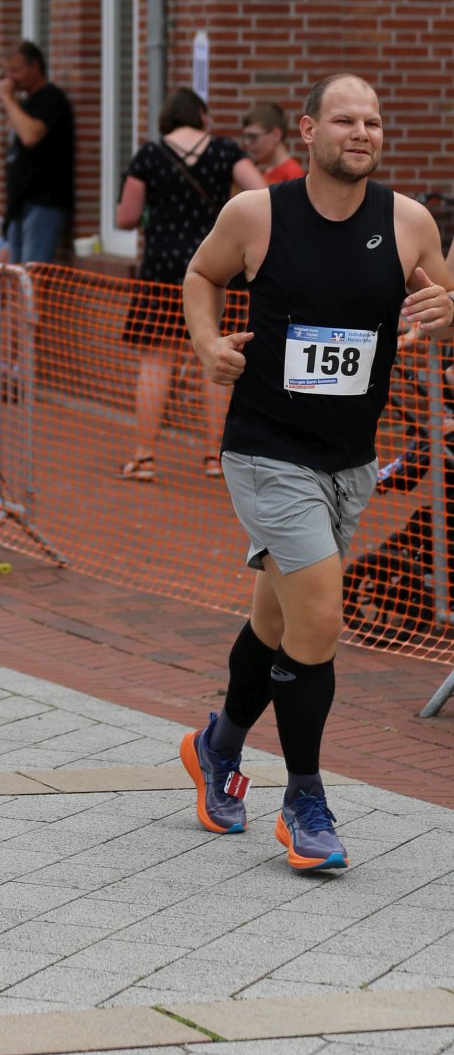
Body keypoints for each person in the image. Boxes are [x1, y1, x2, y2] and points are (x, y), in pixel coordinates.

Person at [182, 75, 454, 872]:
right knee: (320, 620)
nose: (360, 133)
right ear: (306, 130)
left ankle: (216, 746)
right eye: (343, 120)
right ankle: (304, 803)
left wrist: (445, 311)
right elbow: (200, 277)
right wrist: (207, 344)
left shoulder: (407, 221)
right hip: (265, 450)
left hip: (351, 460)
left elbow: (442, 304)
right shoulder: (257, 214)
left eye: (372, 121)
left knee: (277, 621)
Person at [115, 87, 264, 481]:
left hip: (163, 269)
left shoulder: (149, 155)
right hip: (217, 266)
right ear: (202, 116)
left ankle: (144, 458)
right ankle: (215, 457)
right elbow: (261, 193)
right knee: (217, 356)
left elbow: (125, 218)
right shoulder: (226, 151)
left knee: (156, 360)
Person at [0, 42, 74, 263]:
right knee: (17, 274)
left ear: (34, 67)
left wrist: (7, 99)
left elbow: (31, 136)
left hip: (43, 204)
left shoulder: (50, 98)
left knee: (32, 274)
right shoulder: (25, 103)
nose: (10, 78)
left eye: (15, 70)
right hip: (19, 205)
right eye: (7, 71)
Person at [240, 102, 304, 184]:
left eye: (253, 136)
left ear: (276, 135)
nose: (247, 143)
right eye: (246, 137)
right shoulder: (269, 171)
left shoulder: (293, 173)